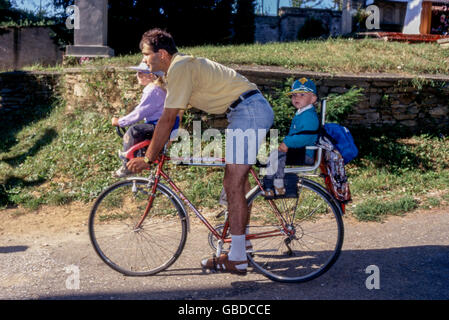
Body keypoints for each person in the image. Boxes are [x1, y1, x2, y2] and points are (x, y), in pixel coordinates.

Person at [126, 28, 274, 275]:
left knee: (233, 184)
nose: (143, 61)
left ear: (161, 53)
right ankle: (242, 243)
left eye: (145, 55)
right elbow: (176, 116)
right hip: (246, 111)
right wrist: (167, 141)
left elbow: (167, 117)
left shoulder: (181, 67)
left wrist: (149, 157)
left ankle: (237, 258)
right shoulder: (177, 71)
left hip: (248, 111)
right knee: (236, 181)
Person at [111, 62, 175, 178]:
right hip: (162, 125)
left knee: (134, 131)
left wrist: (120, 122)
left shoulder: (153, 90)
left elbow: (139, 113)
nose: (137, 75)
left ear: (150, 76)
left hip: (160, 126)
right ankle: (139, 156)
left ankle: (127, 165)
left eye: (140, 73)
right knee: (140, 131)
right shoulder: (157, 89)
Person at [264, 78, 319, 196]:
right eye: (294, 95)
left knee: (277, 156)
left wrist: (287, 143)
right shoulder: (302, 112)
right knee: (274, 156)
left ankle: (277, 184)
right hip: (300, 151)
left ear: (313, 98)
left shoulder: (309, 116)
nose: (296, 98)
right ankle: (271, 183)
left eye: (302, 94)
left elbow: (306, 137)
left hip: (306, 154)